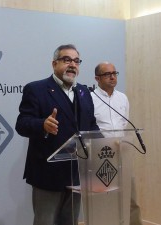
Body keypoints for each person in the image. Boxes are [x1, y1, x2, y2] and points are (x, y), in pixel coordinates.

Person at [15, 44, 100, 225]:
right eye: (66, 60)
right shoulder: (37, 89)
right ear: (54, 64)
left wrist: (103, 144)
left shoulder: (84, 91)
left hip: (77, 172)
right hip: (48, 174)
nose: (72, 65)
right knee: (46, 221)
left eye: (76, 61)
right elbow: (22, 124)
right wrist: (42, 125)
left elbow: (90, 125)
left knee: (70, 221)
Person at [91, 61, 143, 225]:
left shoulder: (122, 98)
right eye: (107, 74)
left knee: (130, 197)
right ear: (97, 78)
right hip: (100, 154)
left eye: (114, 73)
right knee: (104, 200)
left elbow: (123, 124)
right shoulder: (90, 98)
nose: (112, 76)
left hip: (121, 153)